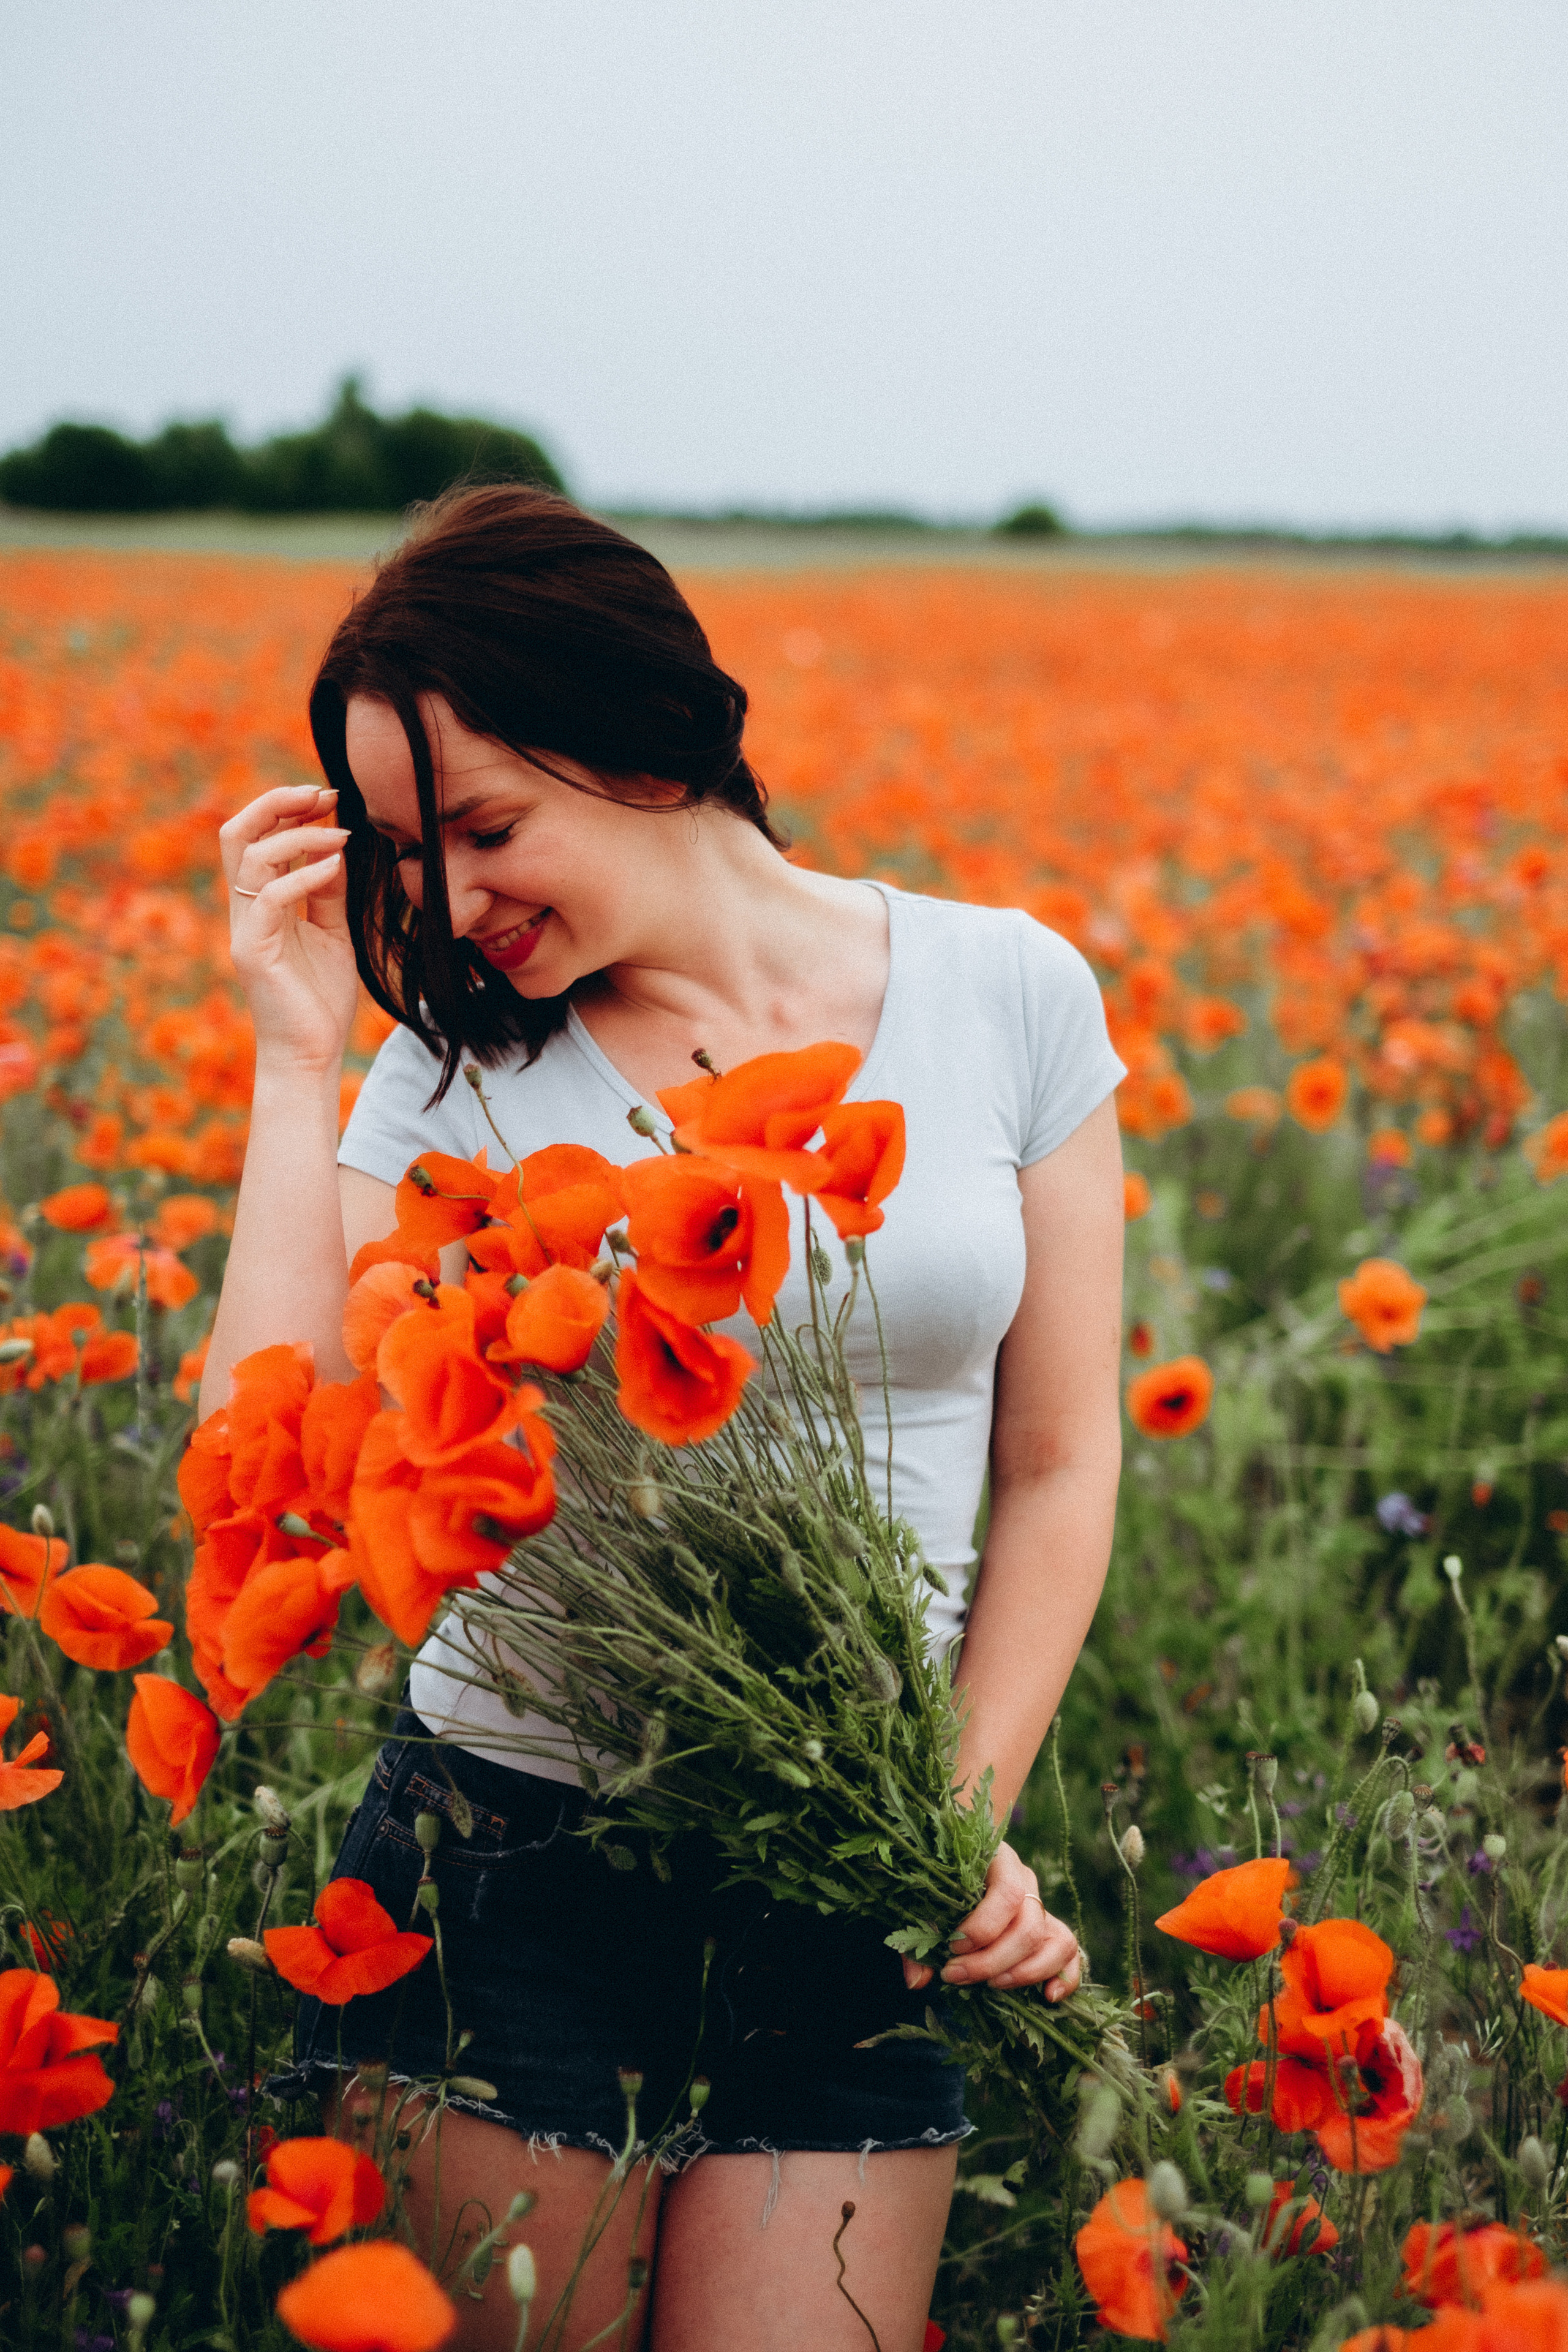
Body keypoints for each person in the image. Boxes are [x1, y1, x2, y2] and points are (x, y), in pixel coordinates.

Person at [205, 484, 1125, 2352]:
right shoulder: (454, 1065)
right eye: (406, 849)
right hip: (509, 1852)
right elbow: (263, 1467)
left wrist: (953, 1820)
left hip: (854, 1870)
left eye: (485, 826)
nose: (451, 901)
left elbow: (1058, 1460)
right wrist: (295, 1054)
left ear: (657, 743)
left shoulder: (1005, 990)